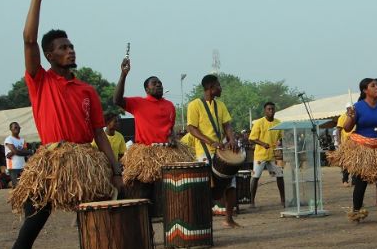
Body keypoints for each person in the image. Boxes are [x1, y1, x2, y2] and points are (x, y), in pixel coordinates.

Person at [0, 0, 122, 249]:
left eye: (71, 45)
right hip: (50, 164)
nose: (69, 50)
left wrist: (116, 169)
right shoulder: (39, 80)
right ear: (49, 56)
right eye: (62, 47)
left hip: (85, 164)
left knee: (101, 223)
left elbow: (99, 134)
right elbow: (28, 40)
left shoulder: (87, 90)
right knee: (31, 226)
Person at [113, 58, 193, 215]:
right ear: (147, 89)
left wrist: (172, 138)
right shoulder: (137, 103)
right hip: (146, 155)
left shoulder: (170, 105)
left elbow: (170, 129)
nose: (159, 85)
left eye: (160, 83)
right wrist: (123, 75)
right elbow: (117, 100)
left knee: (173, 194)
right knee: (144, 193)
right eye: (154, 83)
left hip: (168, 153)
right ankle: (146, 229)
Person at [329, 78, 377, 222]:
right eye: (373, 86)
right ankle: (356, 211)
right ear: (365, 90)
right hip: (361, 148)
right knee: (361, 180)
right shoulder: (357, 107)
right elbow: (347, 128)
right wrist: (350, 117)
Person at [187, 74, 240, 227]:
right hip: (204, 151)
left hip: (221, 150)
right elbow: (192, 128)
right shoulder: (194, 105)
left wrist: (232, 139)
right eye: (218, 85)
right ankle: (204, 222)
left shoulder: (221, 105)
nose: (220, 88)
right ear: (210, 88)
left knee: (231, 183)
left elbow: (227, 125)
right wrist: (211, 142)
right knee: (205, 186)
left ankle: (229, 219)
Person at [249, 101, 285, 207]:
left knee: (280, 175)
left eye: (272, 109)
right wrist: (263, 143)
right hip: (260, 155)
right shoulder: (259, 123)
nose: (271, 111)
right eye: (269, 109)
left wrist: (281, 141)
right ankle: (252, 201)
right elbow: (251, 138)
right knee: (255, 177)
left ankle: (283, 199)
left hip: (274, 155)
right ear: (265, 111)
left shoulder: (278, 122)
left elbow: (281, 136)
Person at [4, 122, 32, 187]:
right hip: (13, 167)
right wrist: (18, 151)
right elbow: (17, 152)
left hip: (22, 166)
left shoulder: (22, 140)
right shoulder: (8, 139)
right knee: (16, 186)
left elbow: (25, 152)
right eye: (15, 127)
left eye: (18, 127)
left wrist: (14, 151)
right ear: (11, 129)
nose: (17, 129)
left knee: (24, 186)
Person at [335, 103, 354, 186]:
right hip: (345, 143)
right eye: (349, 108)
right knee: (346, 163)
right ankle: (345, 180)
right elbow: (338, 130)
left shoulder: (355, 116)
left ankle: (355, 181)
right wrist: (339, 142)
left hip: (355, 142)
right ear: (347, 109)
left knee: (355, 162)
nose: (351, 110)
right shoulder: (342, 117)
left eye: (352, 108)